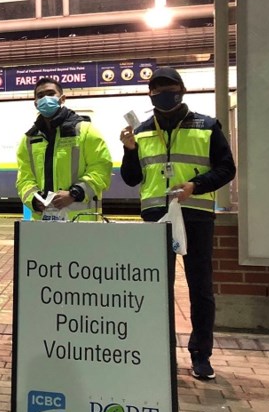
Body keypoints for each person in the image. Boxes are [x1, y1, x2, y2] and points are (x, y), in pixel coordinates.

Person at [120, 67, 236, 381]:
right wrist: (129, 151)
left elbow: (227, 168)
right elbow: (132, 179)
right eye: (156, 90)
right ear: (150, 95)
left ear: (181, 90)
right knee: (158, 289)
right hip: (156, 216)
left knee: (200, 288)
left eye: (168, 88)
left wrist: (195, 186)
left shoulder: (207, 126)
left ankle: (201, 355)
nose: (162, 94)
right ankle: (161, 351)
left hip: (195, 213)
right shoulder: (141, 130)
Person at [15, 77, 113, 222]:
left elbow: (101, 169)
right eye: (40, 96)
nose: (45, 98)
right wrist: (34, 199)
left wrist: (75, 193)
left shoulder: (85, 131)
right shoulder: (29, 140)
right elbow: (24, 179)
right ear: (35, 104)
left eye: (50, 94)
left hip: (82, 222)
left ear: (62, 99)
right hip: (44, 222)